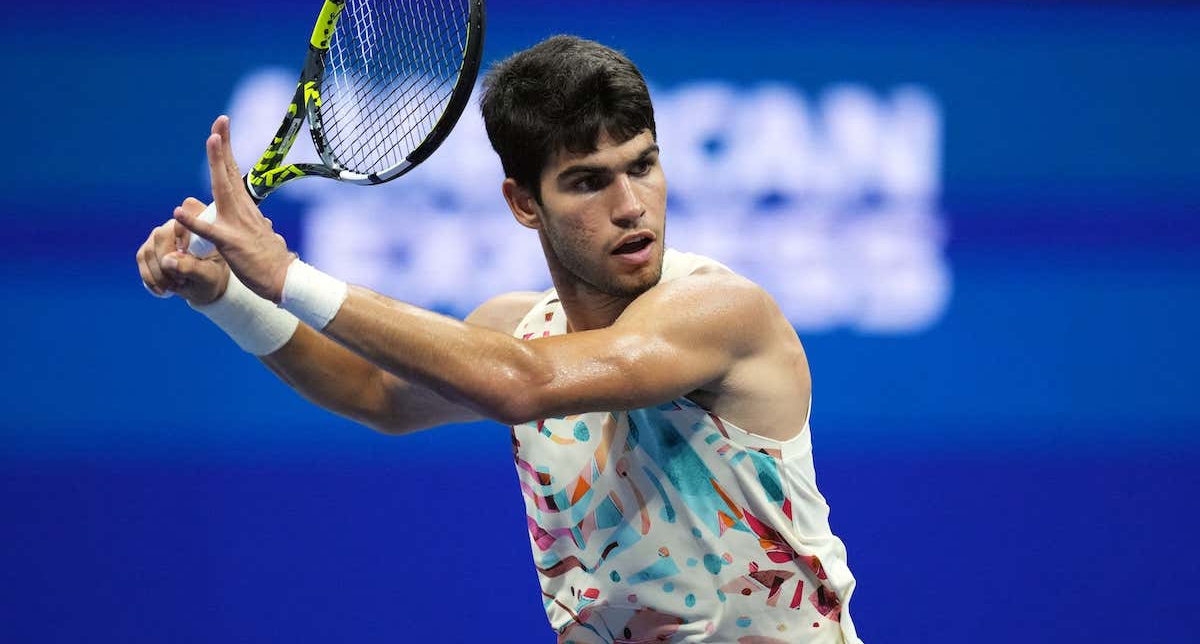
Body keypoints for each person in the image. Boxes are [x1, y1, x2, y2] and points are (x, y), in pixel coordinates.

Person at [135, 35, 862, 644]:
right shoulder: (517, 331)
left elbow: (523, 386)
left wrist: (287, 275)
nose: (630, 205)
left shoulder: (720, 310)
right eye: (587, 182)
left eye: (642, 164)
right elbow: (374, 394)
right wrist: (227, 296)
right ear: (523, 203)